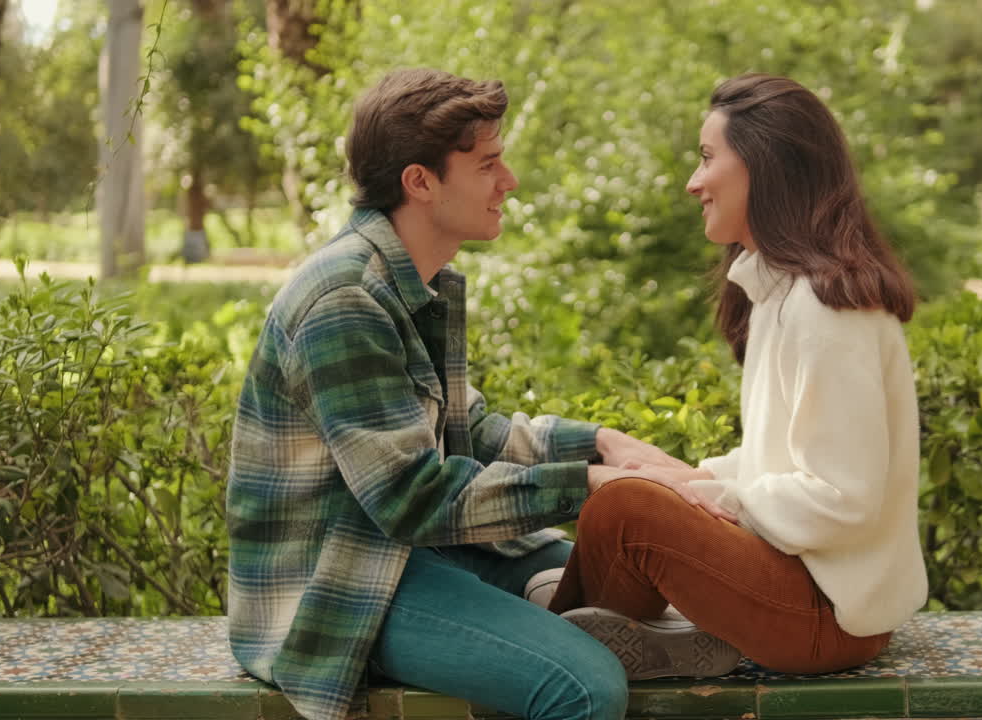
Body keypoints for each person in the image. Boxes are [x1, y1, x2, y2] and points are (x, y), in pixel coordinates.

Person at [225, 68, 733, 720]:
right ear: (421, 181)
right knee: (586, 687)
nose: (509, 180)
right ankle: (553, 623)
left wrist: (610, 446)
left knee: (638, 584)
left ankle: (556, 609)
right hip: (340, 586)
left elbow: (476, 430)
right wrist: (593, 486)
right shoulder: (345, 301)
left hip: (426, 553)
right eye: (489, 163)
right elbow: (412, 499)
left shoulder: (416, 281)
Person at [544, 73, 929, 680]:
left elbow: (844, 497)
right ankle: (612, 633)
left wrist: (701, 496)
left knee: (623, 508)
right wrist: (691, 476)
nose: (693, 182)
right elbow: (786, 464)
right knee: (627, 494)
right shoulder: (784, 292)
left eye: (706, 158)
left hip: (829, 615)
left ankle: (557, 644)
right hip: (803, 586)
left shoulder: (828, 307)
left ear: (765, 164)